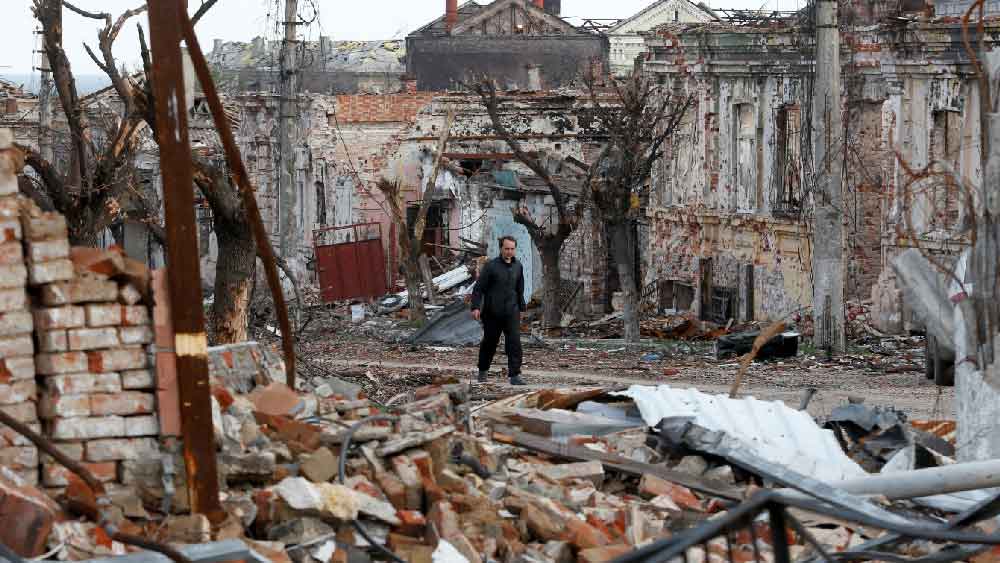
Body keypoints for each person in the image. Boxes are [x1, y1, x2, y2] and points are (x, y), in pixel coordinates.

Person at [470, 236, 527, 385]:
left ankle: (514, 375)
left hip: (511, 312)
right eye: (507, 249)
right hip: (492, 313)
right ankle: (483, 371)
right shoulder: (491, 266)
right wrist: (475, 307)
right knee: (489, 343)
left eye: (512, 249)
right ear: (501, 248)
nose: (509, 252)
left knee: (514, 342)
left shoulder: (518, 266)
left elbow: (519, 289)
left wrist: (522, 308)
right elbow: (479, 288)